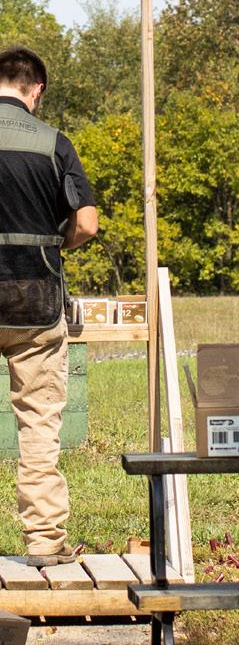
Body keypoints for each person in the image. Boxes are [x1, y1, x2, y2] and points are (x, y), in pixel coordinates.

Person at [0, 46, 98, 565]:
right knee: (38, 422)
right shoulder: (54, 143)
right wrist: (57, 246)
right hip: (34, 301)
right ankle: (43, 541)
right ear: (35, 90)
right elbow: (86, 224)